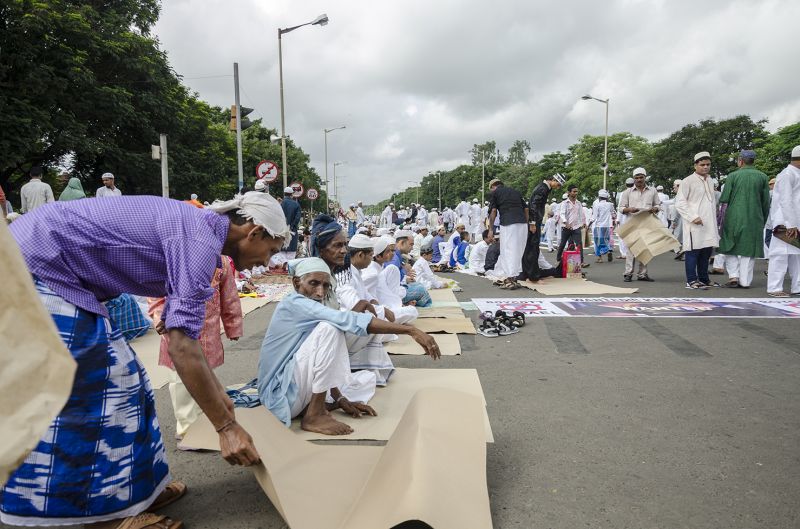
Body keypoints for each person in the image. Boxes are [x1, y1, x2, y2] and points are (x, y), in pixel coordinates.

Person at [3, 192, 289, 528]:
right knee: (94, 390)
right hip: (34, 266)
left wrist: (220, 401)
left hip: (55, 269)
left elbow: (184, 336)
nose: (267, 262)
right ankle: (98, 515)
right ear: (253, 232)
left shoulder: (200, 234)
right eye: (270, 250)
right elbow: (183, 347)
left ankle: (134, 492)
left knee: (132, 382)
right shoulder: (197, 240)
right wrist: (225, 427)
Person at [257, 257, 439, 435]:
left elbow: (318, 360)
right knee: (331, 328)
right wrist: (411, 331)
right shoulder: (293, 303)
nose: (320, 292)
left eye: (326, 286)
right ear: (297, 283)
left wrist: (339, 399)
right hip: (279, 397)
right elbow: (346, 320)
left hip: (293, 394)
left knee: (365, 379)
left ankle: (317, 406)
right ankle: (315, 414)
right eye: (313, 283)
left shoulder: (318, 301)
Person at [149, 255, 242, 440]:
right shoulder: (172, 257)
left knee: (206, 377)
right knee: (179, 380)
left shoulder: (221, 261)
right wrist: (159, 317)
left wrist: (233, 325)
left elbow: (229, 296)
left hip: (209, 331)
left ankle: (204, 421)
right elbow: (156, 292)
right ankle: (187, 427)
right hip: (176, 329)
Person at [717, 150, 770, 289]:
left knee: (729, 247)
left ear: (740, 160)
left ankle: (733, 276)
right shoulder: (763, 177)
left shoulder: (733, 176)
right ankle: (745, 281)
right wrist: (763, 219)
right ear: (754, 161)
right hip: (754, 217)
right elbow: (766, 202)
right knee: (748, 250)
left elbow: (724, 199)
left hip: (733, 217)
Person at [675, 152, 720, 290]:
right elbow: (680, 203)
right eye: (702, 165)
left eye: (708, 164)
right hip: (694, 223)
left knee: (706, 252)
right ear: (695, 165)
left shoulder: (710, 180)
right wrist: (693, 217)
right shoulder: (687, 181)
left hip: (709, 223)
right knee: (693, 252)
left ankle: (704, 279)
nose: (705, 167)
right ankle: (691, 280)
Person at [766, 145, 800, 296]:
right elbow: (785, 201)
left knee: (797, 256)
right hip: (785, 223)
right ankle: (774, 288)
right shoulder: (787, 174)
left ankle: (797, 287)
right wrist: (791, 224)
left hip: (795, 222)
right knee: (780, 255)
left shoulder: (796, 173)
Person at [618, 168, 660, 282]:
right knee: (631, 249)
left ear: (645, 177)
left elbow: (658, 205)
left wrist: (655, 209)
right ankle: (628, 273)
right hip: (632, 223)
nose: (639, 180)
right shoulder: (627, 192)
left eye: (641, 177)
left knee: (645, 249)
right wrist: (629, 209)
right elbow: (621, 208)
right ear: (634, 179)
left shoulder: (652, 191)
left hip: (647, 223)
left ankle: (642, 274)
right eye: (636, 178)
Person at [519, 174, 563, 281]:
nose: (558, 187)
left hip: (535, 220)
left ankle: (529, 273)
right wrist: (532, 223)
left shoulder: (544, 188)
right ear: (553, 180)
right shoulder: (542, 189)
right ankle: (532, 275)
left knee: (532, 247)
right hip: (534, 221)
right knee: (532, 247)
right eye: (558, 184)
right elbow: (533, 205)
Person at [487, 178, 529, 285]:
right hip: (522, 224)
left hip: (508, 224)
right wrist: (526, 223)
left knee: (508, 250)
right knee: (517, 251)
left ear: (493, 187)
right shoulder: (515, 191)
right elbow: (526, 209)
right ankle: (512, 276)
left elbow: (493, 211)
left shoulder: (495, 193)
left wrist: (491, 229)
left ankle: (510, 278)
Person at [391, 229, 432, 307]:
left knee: (419, 285)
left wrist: (405, 277)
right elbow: (391, 282)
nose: (412, 248)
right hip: (392, 294)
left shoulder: (398, 255)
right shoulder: (394, 258)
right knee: (422, 290)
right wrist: (404, 271)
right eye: (411, 244)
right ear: (402, 243)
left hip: (397, 289)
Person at [556, 184, 588, 266]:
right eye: (574, 191)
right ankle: (558, 258)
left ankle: (581, 261)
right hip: (566, 227)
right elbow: (562, 214)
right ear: (569, 193)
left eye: (576, 191)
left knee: (579, 244)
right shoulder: (565, 203)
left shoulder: (578, 203)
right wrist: (565, 222)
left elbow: (581, 214)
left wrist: (584, 223)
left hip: (576, 227)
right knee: (563, 244)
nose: (575, 193)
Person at [591, 189, 617, 263]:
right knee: (606, 240)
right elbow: (614, 214)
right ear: (606, 198)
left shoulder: (597, 205)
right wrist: (614, 221)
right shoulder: (610, 204)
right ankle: (608, 250)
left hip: (599, 225)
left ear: (599, 197)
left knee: (597, 241)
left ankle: (600, 258)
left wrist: (589, 224)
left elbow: (594, 217)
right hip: (608, 225)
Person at [615, 178, 635, 260]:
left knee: (622, 236)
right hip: (634, 218)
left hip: (624, 218)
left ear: (625, 184)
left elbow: (620, 207)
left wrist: (618, 219)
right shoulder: (636, 193)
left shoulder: (623, 193)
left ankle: (624, 254)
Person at [281, 186, 302, 261]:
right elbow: (297, 218)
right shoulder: (296, 205)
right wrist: (292, 227)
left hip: (281, 232)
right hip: (292, 231)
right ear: (291, 194)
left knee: (282, 251)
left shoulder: (280, 204)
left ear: (284, 194)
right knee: (291, 253)